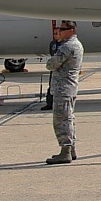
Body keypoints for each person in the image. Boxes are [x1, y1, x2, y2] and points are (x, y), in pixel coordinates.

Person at [44, 20, 84, 164]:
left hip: (63, 88)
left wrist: (53, 64)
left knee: (61, 120)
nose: (59, 32)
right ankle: (70, 149)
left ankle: (65, 151)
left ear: (71, 30)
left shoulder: (67, 47)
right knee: (68, 118)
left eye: (62, 29)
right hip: (68, 88)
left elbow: (51, 64)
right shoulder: (76, 45)